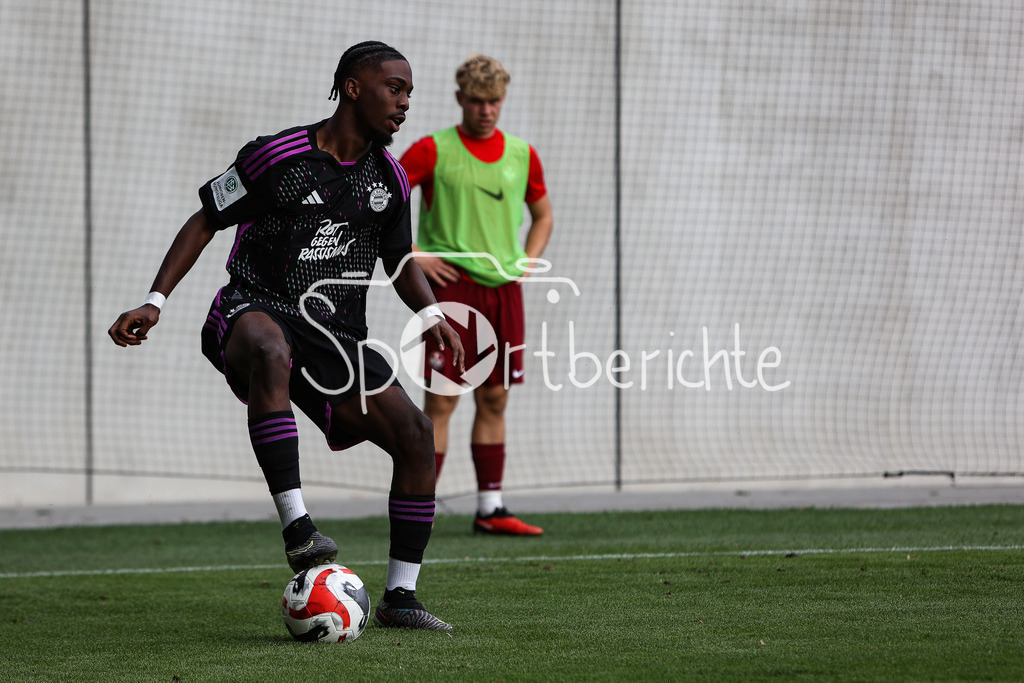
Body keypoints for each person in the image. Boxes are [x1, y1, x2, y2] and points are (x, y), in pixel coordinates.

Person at [108, 41, 464, 631]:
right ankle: (298, 527)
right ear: (353, 87)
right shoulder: (277, 156)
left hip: (336, 335)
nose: (404, 103)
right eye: (394, 88)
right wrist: (155, 300)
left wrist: (432, 315)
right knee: (271, 349)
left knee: (417, 435)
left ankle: (401, 597)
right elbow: (205, 218)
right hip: (253, 305)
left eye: (408, 93)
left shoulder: (391, 179)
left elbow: (400, 261)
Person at [399, 54, 553, 536]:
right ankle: (420, 509)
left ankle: (490, 509)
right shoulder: (432, 150)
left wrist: (527, 261)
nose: (486, 110)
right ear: (460, 99)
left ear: (503, 100)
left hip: (504, 292)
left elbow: (543, 215)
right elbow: (378, 200)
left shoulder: (522, 154)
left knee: (495, 399)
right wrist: (413, 253)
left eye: (494, 101)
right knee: (442, 402)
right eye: (477, 101)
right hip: (452, 291)